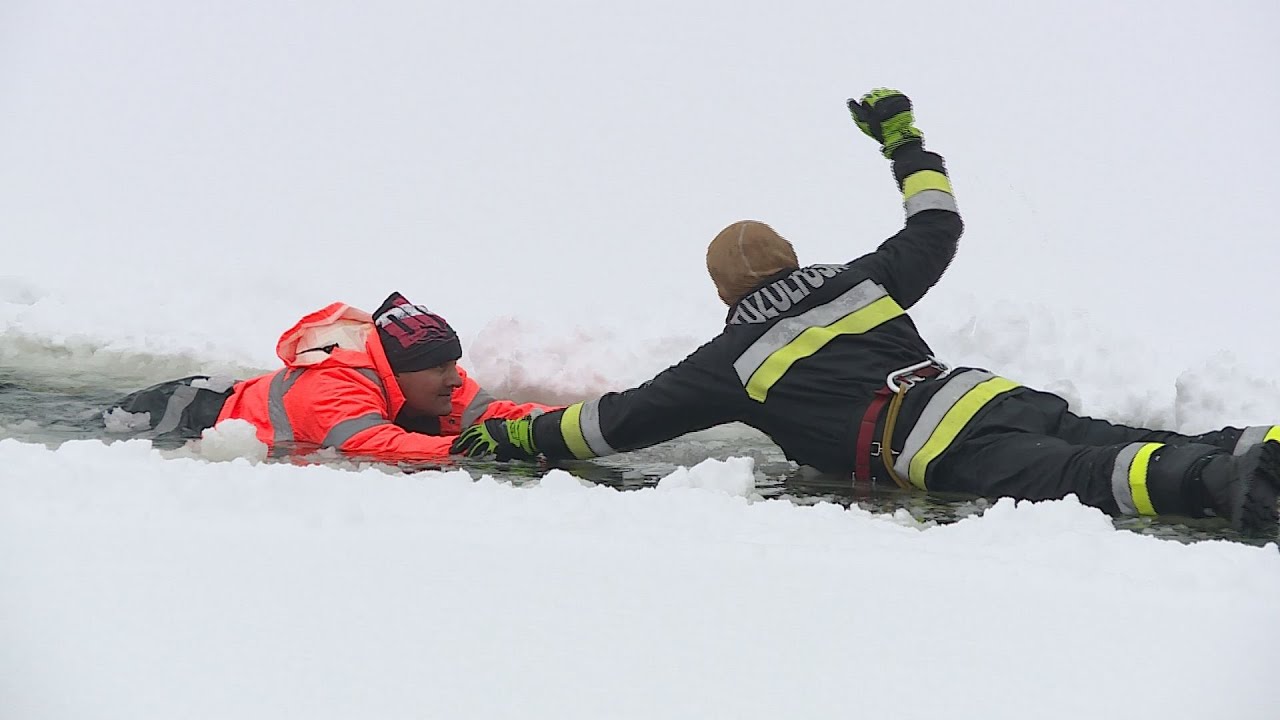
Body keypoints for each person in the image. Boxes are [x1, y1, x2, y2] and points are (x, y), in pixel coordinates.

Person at [450, 88, 1280, 536]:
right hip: (990, 395)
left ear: (722, 295)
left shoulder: (728, 363)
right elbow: (937, 225)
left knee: (1087, 479)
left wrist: (515, 433)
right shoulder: (856, 281)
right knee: (1112, 439)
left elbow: (611, 426)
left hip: (935, 444)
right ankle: (1252, 446)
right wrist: (905, 143)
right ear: (788, 256)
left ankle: (1228, 485)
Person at [108, 292, 553, 462]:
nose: (456, 380)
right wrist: (469, 449)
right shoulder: (335, 388)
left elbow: (496, 413)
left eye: (454, 365)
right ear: (395, 373)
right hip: (180, 411)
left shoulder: (420, 381)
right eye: (439, 368)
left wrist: (572, 420)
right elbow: (375, 445)